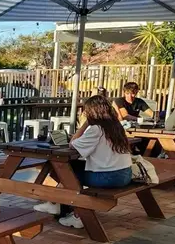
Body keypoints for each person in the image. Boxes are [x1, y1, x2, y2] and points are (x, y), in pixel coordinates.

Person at [34, 95, 133, 228]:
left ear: (91, 112)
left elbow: (73, 143)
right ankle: (57, 204)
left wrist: (85, 124)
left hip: (109, 177)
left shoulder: (96, 129)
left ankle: (76, 215)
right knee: (70, 168)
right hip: (125, 174)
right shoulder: (116, 127)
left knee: (68, 172)